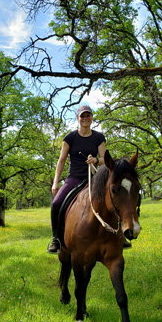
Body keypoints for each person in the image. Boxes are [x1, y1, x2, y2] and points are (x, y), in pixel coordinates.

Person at [48, 104, 125, 254]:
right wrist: (56, 181)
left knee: (117, 198)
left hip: (95, 178)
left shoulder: (98, 137)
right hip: (75, 178)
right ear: (78, 118)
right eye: (82, 116)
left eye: (88, 115)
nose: (85, 118)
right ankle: (56, 238)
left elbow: (105, 158)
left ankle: (121, 234)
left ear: (92, 118)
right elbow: (61, 160)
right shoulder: (70, 138)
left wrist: (96, 160)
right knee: (56, 203)